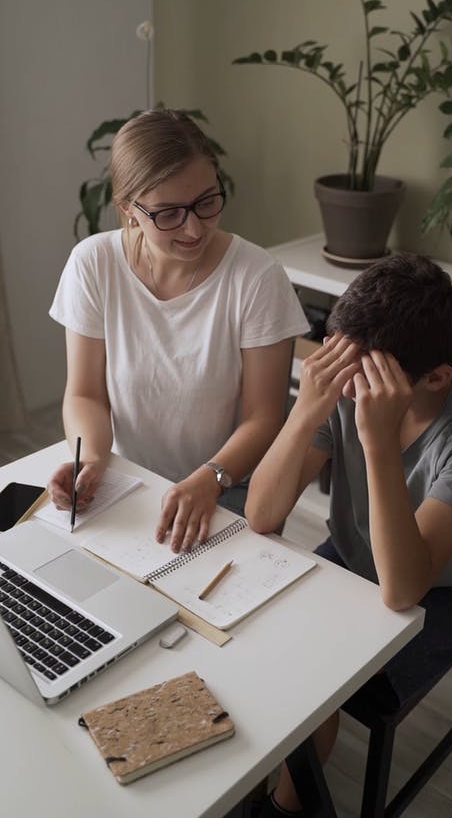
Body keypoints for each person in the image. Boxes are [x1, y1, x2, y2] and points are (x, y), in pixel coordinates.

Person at [245, 253, 452, 817]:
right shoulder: (345, 383)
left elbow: (403, 588)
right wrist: (305, 412)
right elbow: (261, 515)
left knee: (318, 678)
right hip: (358, 550)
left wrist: (380, 442)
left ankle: (289, 808)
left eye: (366, 380)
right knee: (256, 637)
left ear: (435, 377)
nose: (347, 386)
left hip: (446, 588)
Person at [47, 108, 308, 552]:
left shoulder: (257, 277)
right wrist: (90, 456)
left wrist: (211, 479)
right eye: (168, 213)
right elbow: (85, 393)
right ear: (129, 209)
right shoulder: (93, 264)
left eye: (207, 202)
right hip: (130, 483)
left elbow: (264, 417)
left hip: (231, 486)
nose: (193, 228)